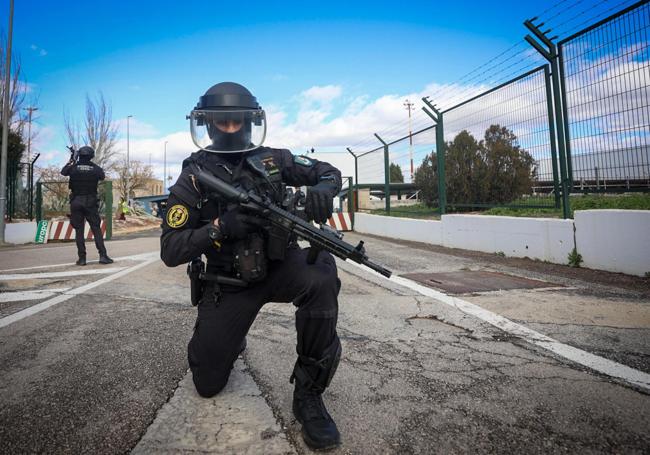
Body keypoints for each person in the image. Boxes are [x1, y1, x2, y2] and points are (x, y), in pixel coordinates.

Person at [160, 82, 342, 450]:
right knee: (208, 384)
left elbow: (327, 171)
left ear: (250, 121)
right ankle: (223, 340)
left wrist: (325, 190)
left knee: (322, 273)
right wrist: (218, 229)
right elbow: (170, 248)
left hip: (279, 264)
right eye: (222, 122)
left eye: (237, 121)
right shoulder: (194, 175)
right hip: (227, 280)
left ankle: (309, 396)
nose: (230, 129)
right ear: (208, 125)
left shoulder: (275, 158)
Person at [61, 146, 113, 266]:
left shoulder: (73, 167)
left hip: (76, 201)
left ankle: (82, 259)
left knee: (79, 231)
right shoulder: (95, 169)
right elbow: (102, 176)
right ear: (91, 156)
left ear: (79, 155)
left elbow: (63, 172)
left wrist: (72, 159)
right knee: (96, 229)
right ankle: (103, 256)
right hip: (90, 202)